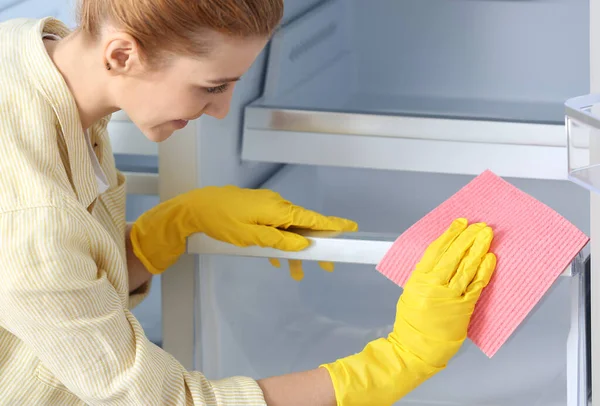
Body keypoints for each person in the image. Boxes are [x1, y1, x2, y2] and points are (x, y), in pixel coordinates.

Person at [0, 1, 497, 405]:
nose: (221, 111)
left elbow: (48, 295)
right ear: (122, 56)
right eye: (211, 87)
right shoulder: (31, 211)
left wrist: (171, 228)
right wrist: (399, 361)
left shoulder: (28, 54)